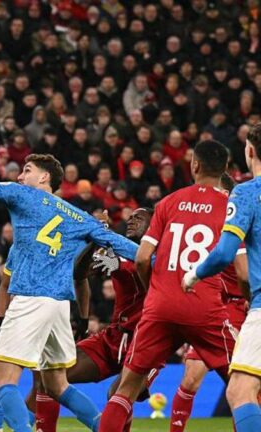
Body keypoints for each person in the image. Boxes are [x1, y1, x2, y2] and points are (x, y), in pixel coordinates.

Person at [0, 154, 139, 432]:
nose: (20, 176)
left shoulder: (23, 195)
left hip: (30, 298)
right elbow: (118, 243)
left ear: (44, 177)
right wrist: (162, 261)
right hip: (60, 306)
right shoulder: (78, 216)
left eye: (27, 170)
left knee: (3, 382)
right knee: (57, 385)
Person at [100, 140, 235, 431]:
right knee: (242, 384)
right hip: (204, 307)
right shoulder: (230, 207)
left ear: (194, 165)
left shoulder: (169, 202)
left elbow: (142, 258)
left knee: (126, 389)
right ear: (225, 168)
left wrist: (155, 290)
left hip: (161, 306)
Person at [35, 208, 159, 432]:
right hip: (114, 336)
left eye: (138, 218)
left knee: (117, 395)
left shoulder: (162, 254)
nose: (131, 220)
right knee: (51, 376)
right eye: (130, 217)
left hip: (147, 341)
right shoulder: (116, 251)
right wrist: (95, 236)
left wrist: (122, 267)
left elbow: (151, 276)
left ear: (153, 225)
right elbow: (79, 273)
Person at [182, 126, 261, 432]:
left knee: (240, 390)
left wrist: (194, 274)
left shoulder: (247, 193)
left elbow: (224, 253)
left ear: (249, 151)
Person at [170, 174, 249, 432]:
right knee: (191, 376)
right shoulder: (208, 223)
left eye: (220, 192)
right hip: (215, 307)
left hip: (242, 306)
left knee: (242, 384)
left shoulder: (242, 222)